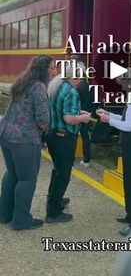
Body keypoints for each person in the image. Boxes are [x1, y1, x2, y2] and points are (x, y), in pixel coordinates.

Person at [0, 55, 54, 230]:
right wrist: (47, 128)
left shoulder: (22, 81)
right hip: (25, 139)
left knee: (12, 174)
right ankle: (21, 220)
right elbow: (43, 119)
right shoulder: (38, 87)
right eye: (51, 68)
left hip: (6, 134)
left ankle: (4, 214)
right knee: (27, 179)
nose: (54, 71)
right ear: (43, 69)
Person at [97, 76, 131, 236]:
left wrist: (109, 121)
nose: (122, 88)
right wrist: (109, 115)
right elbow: (125, 119)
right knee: (128, 181)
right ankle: (130, 214)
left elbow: (128, 125)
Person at [45, 65, 90, 223]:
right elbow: (68, 119)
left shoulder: (56, 85)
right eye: (80, 77)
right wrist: (83, 118)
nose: (81, 80)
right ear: (73, 76)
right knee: (63, 174)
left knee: (57, 170)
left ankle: (53, 200)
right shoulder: (71, 92)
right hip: (64, 137)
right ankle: (53, 212)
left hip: (52, 135)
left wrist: (77, 114)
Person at [70, 54, 94, 168]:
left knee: (73, 136)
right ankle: (86, 159)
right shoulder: (88, 85)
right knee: (85, 137)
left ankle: (71, 159)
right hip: (87, 114)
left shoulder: (77, 88)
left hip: (78, 114)